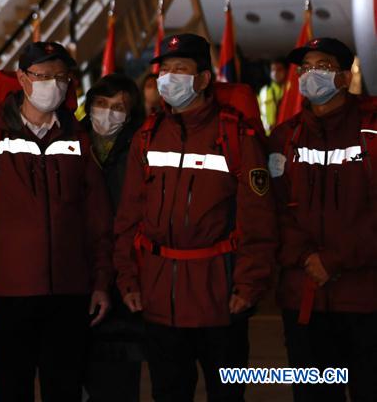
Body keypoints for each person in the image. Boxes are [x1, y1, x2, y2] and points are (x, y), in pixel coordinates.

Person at [114, 33, 278, 402]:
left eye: (180, 69)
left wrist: (248, 285)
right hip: (160, 300)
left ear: (203, 79)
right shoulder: (148, 136)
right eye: (164, 70)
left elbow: (259, 220)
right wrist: (128, 279)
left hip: (220, 300)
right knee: (168, 393)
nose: (168, 78)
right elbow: (128, 217)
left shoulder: (236, 135)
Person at [0, 41, 112, 402]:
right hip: (9, 295)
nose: (53, 84)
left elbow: (97, 217)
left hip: (70, 294)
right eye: (43, 76)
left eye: (61, 76)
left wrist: (101, 281)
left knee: (65, 390)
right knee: (13, 389)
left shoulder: (78, 137)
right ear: (23, 79)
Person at [268, 37, 377, 401]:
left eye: (323, 66)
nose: (311, 74)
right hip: (305, 300)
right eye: (305, 68)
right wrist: (305, 257)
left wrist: (334, 259)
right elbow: (273, 209)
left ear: (344, 78)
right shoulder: (284, 138)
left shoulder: (372, 132)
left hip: (365, 300)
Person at [80, 73, 145, 402]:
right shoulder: (72, 142)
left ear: (131, 114)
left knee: (119, 379)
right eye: (102, 103)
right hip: (78, 274)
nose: (107, 113)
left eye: (118, 107)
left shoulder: (141, 149)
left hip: (123, 278)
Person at [259, 58, 288, 135]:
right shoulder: (264, 92)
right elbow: (257, 113)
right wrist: (266, 126)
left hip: (287, 135)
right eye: (273, 70)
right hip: (268, 135)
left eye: (279, 69)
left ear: (286, 71)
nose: (276, 72)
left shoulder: (290, 91)